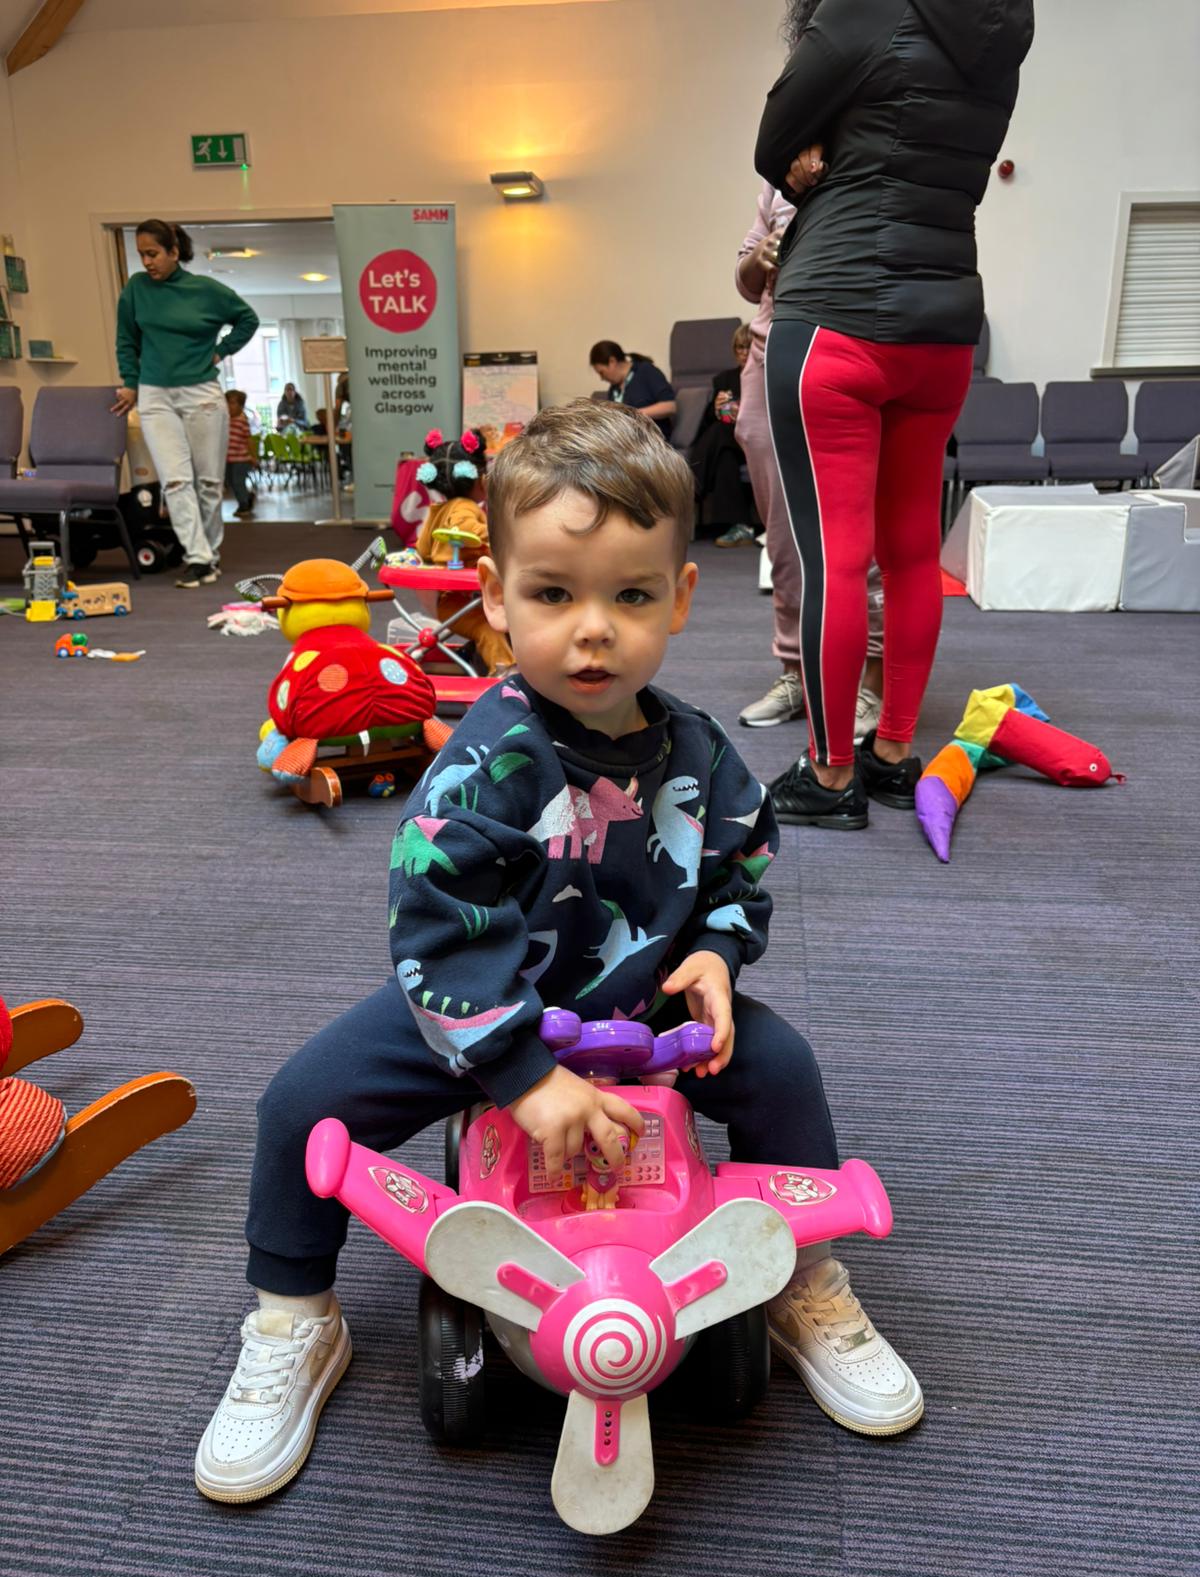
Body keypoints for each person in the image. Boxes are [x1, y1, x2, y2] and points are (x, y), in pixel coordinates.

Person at [194, 399, 923, 1504]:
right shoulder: (492, 755)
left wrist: (720, 955)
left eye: (630, 596)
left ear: (679, 597)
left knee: (786, 1071)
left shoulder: (701, 748)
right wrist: (518, 1069)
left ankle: (801, 1282)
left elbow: (741, 866)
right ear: (495, 597)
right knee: (302, 1106)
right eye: (552, 594)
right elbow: (435, 918)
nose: (593, 629)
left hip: (652, 1019)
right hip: (483, 1008)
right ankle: (293, 1316)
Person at [755, 0, 1033, 827]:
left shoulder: (864, 9)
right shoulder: (1002, 28)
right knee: (913, 552)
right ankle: (892, 753)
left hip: (837, 313)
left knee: (835, 558)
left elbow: (774, 142)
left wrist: (815, 149)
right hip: (943, 328)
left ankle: (831, 774)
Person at [733, 180, 885, 736]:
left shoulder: (870, 157)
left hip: (846, 348)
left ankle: (870, 682)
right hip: (769, 351)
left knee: (854, 531)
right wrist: (761, 256)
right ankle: (796, 671)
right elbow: (747, 280)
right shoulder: (778, 179)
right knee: (781, 534)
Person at [113, 219, 259, 588]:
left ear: (174, 252)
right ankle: (198, 558)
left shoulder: (206, 290)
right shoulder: (135, 290)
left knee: (209, 483)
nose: (147, 262)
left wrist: (220, 351)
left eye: (153, 254)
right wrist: (131, 383)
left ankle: (208, 554)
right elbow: (126, 340)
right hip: (154, 395)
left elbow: (247, 319)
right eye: (141, 255)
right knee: (176, 482)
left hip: (201, 395)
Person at [413, 427, 515, 676]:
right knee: (490, 628)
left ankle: (478, 656)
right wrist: (505, 537)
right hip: (457, 599)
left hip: (450, 601)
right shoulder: (464, 508)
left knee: (499, 621)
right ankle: (506, 675)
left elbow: (423, 548)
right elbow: (464, 529)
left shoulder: (439, 509)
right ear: (481, 479)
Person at [688, 322, 759, 548]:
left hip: (758, 441)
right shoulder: (725, 379)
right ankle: (742, 527)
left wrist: (745, 412)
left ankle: (688, 491)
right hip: (731, 442)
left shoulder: (766, 376)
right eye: (739, 348)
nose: (743, 353)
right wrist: (717, 409)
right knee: (723, 454)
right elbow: (708, 422)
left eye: (748, 348)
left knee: (719, 435)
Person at [589, 340, 677, 439]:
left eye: (602, 372)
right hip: (626, 442)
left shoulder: (646, 371)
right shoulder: (614, 389)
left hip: (651, 441)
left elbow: (670, 406)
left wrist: (632, 414)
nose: (602, 378)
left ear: (612, 361)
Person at [224, 390, 256, 520]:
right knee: (230, 482)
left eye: (232, 403)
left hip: (241, 459)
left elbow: (249, 440)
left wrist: (253, 456)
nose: (229, 406)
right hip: (228, 459)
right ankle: (247, 497)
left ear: (241, 406)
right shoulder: (225, 420)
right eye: (227, 403)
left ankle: (244, 505)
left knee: (238, 481)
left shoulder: (242, 421)